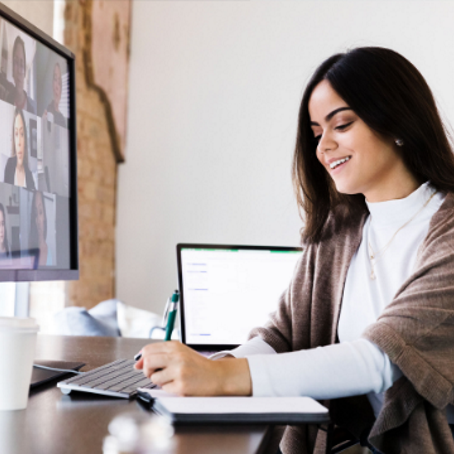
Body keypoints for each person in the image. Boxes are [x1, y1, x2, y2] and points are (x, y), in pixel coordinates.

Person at [134, 47, 454, 454]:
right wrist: (216, 366)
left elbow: (382, 358)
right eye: (318, 132)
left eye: (341, 125)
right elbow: (283, 333)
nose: (324, 148)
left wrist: (223, 379)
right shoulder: (341, 228)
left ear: (399, 123)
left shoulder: (447, 230)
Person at [4, 108, 35, 190]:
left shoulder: (29, 175)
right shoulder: (9, 165)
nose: (19, 142)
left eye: (22, 134)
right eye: (16, 134)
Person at [6, 36, 36, 115]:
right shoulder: (5, 101)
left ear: (25, 72)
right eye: (16, 62)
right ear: (12, 70)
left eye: (22, 64)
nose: (19, 71)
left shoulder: (33, 108)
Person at [28, 191, 52, 267]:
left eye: (40, 212)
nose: (38, 220)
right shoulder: (29, 249)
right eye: (35, 214)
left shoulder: (49, 252)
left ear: (44, 216)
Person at [43, 62, 67, 128]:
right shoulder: (47, 110)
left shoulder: (63, 120)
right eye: (55, 79)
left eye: (59, 82)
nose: (57, 86)